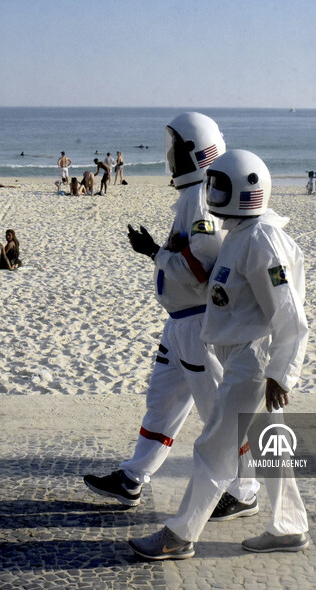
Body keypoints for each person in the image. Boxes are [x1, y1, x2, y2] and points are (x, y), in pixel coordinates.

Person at [129, 149, 309, 560]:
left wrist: (282, 373)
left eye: (221, 185)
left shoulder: (262, 239)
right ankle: (289, 527)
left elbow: (289, 313)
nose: (213, 192)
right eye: (213, 183)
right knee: (270, 447)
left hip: (253, 362)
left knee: (215, 449)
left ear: (247, 189)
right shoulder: (241, 234)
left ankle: (179, 535)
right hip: (242, 358)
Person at [85, 113, 258, 521]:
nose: (170, 158)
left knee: (218, 410)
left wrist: (153, 252)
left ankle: (245, 489)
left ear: (193, 152)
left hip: (197, 325)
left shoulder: (200, 197)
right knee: (162, 404)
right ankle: (132, 478)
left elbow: (203, 268)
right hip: (180, 323)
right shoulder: (194, 195)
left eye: (175, 150)